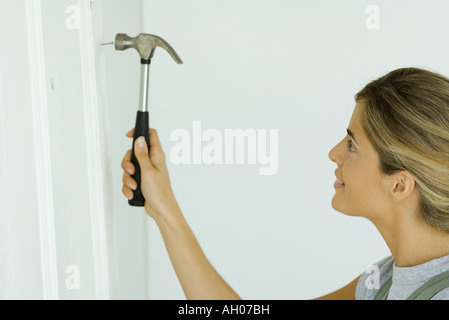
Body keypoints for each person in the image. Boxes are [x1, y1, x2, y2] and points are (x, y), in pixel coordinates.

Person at [121, 67, 449, 300]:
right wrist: (163, 207)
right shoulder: (383, 281)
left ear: (399, 185)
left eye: (352, 145)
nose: (334, 153)